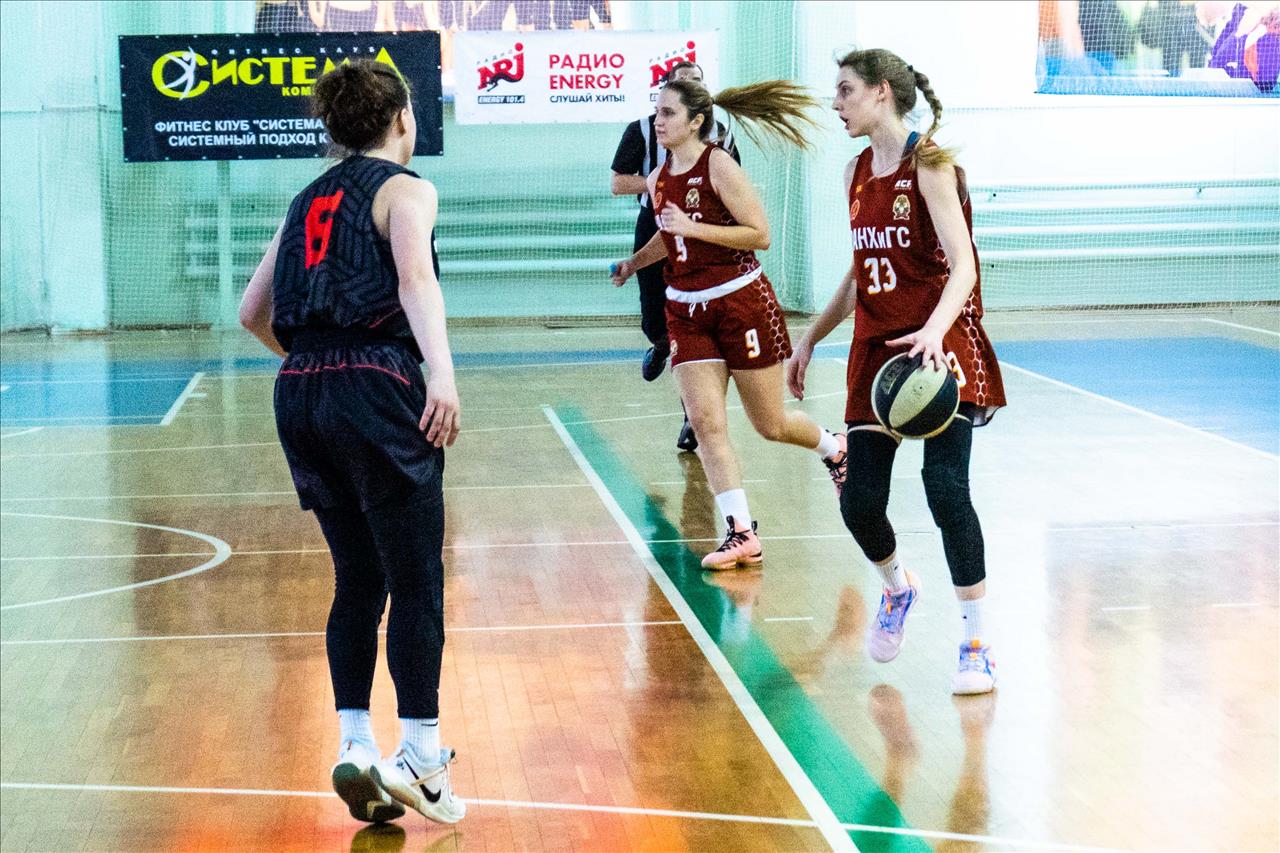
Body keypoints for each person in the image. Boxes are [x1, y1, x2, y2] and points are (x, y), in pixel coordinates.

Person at [238, 60, 466, 825]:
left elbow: (251, 312)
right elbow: (415, 282)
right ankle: (423, 758)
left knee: (358, 577)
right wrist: (440, 373)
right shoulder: (407, 190)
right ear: (403, 119)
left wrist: (318, 364)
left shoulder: (304, 199)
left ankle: (356, 742)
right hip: (374, 380)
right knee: (416, 577)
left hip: (300, 388)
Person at [787, 49, 1006, 695]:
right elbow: (863, 271)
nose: (836, 103)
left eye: (845, 90)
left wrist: (934, 330)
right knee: (860, 501)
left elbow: (964, 265)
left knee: (946, 489)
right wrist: (810, 337)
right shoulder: (856, 172)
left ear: (881, 92)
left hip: (938, 346)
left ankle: (975, 643)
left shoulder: (930, 165)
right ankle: (897, 586)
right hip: (878, 347)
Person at [611, 78, 848, 572]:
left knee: (770, 424)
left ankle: (834, 448)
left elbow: (758, 234)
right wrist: (635, 263)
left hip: (740, 303)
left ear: (696, 121)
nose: (658, 121)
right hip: (685, 309)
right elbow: (668, 237)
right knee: (704, 423)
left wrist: (693, 227)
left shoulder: (718, 164)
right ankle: (741, 531)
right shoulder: (657, 178)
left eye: (668, 113)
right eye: (656, 111)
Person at [610, 61, 740, 452]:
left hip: (705, 235)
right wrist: (661, 185)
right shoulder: (641, 131)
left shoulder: (721, 139)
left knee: (695, 330)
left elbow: (743, 204)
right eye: (680, 82)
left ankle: (693, 417)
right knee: (656, 318)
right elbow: (618, 183)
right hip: (656, 222)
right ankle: (662, 344)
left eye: (696, 81)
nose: (689, 86)